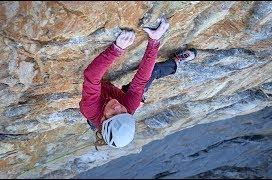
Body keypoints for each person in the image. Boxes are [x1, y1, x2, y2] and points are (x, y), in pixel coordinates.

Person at [79, 17, 169, 148]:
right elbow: (141, 80)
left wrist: (116, 49)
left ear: (103, 120)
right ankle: (176, 62)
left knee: (92, 120)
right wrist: (154, 41)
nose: (117, 108)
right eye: (122, 112)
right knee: (151, 75)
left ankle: (95, 126)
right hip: (121, 97)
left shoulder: (90, 110)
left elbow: (91, 77)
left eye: (113, 114)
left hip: (96, 109)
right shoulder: (129, 107)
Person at [121, 48, 197, 102]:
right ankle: (135, 90)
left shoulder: (172, 66)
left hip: (138, 90)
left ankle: (139, 91)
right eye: (186, 54)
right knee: (154, 69)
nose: (185, 56)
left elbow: (155, 71)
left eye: (188, 56)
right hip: (136, 89)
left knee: (155, 70)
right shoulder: (172, 62)